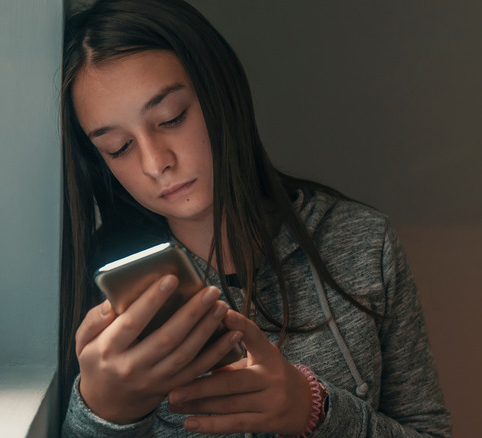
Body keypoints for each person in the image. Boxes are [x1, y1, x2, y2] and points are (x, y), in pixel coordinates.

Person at [58, 0, 452, 436]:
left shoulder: (361, 240)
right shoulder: (103, 290)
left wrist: (314, 411)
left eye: (171, 118)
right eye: (119, 147)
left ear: (221, 91)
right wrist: (105, 413)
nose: (155, 163)